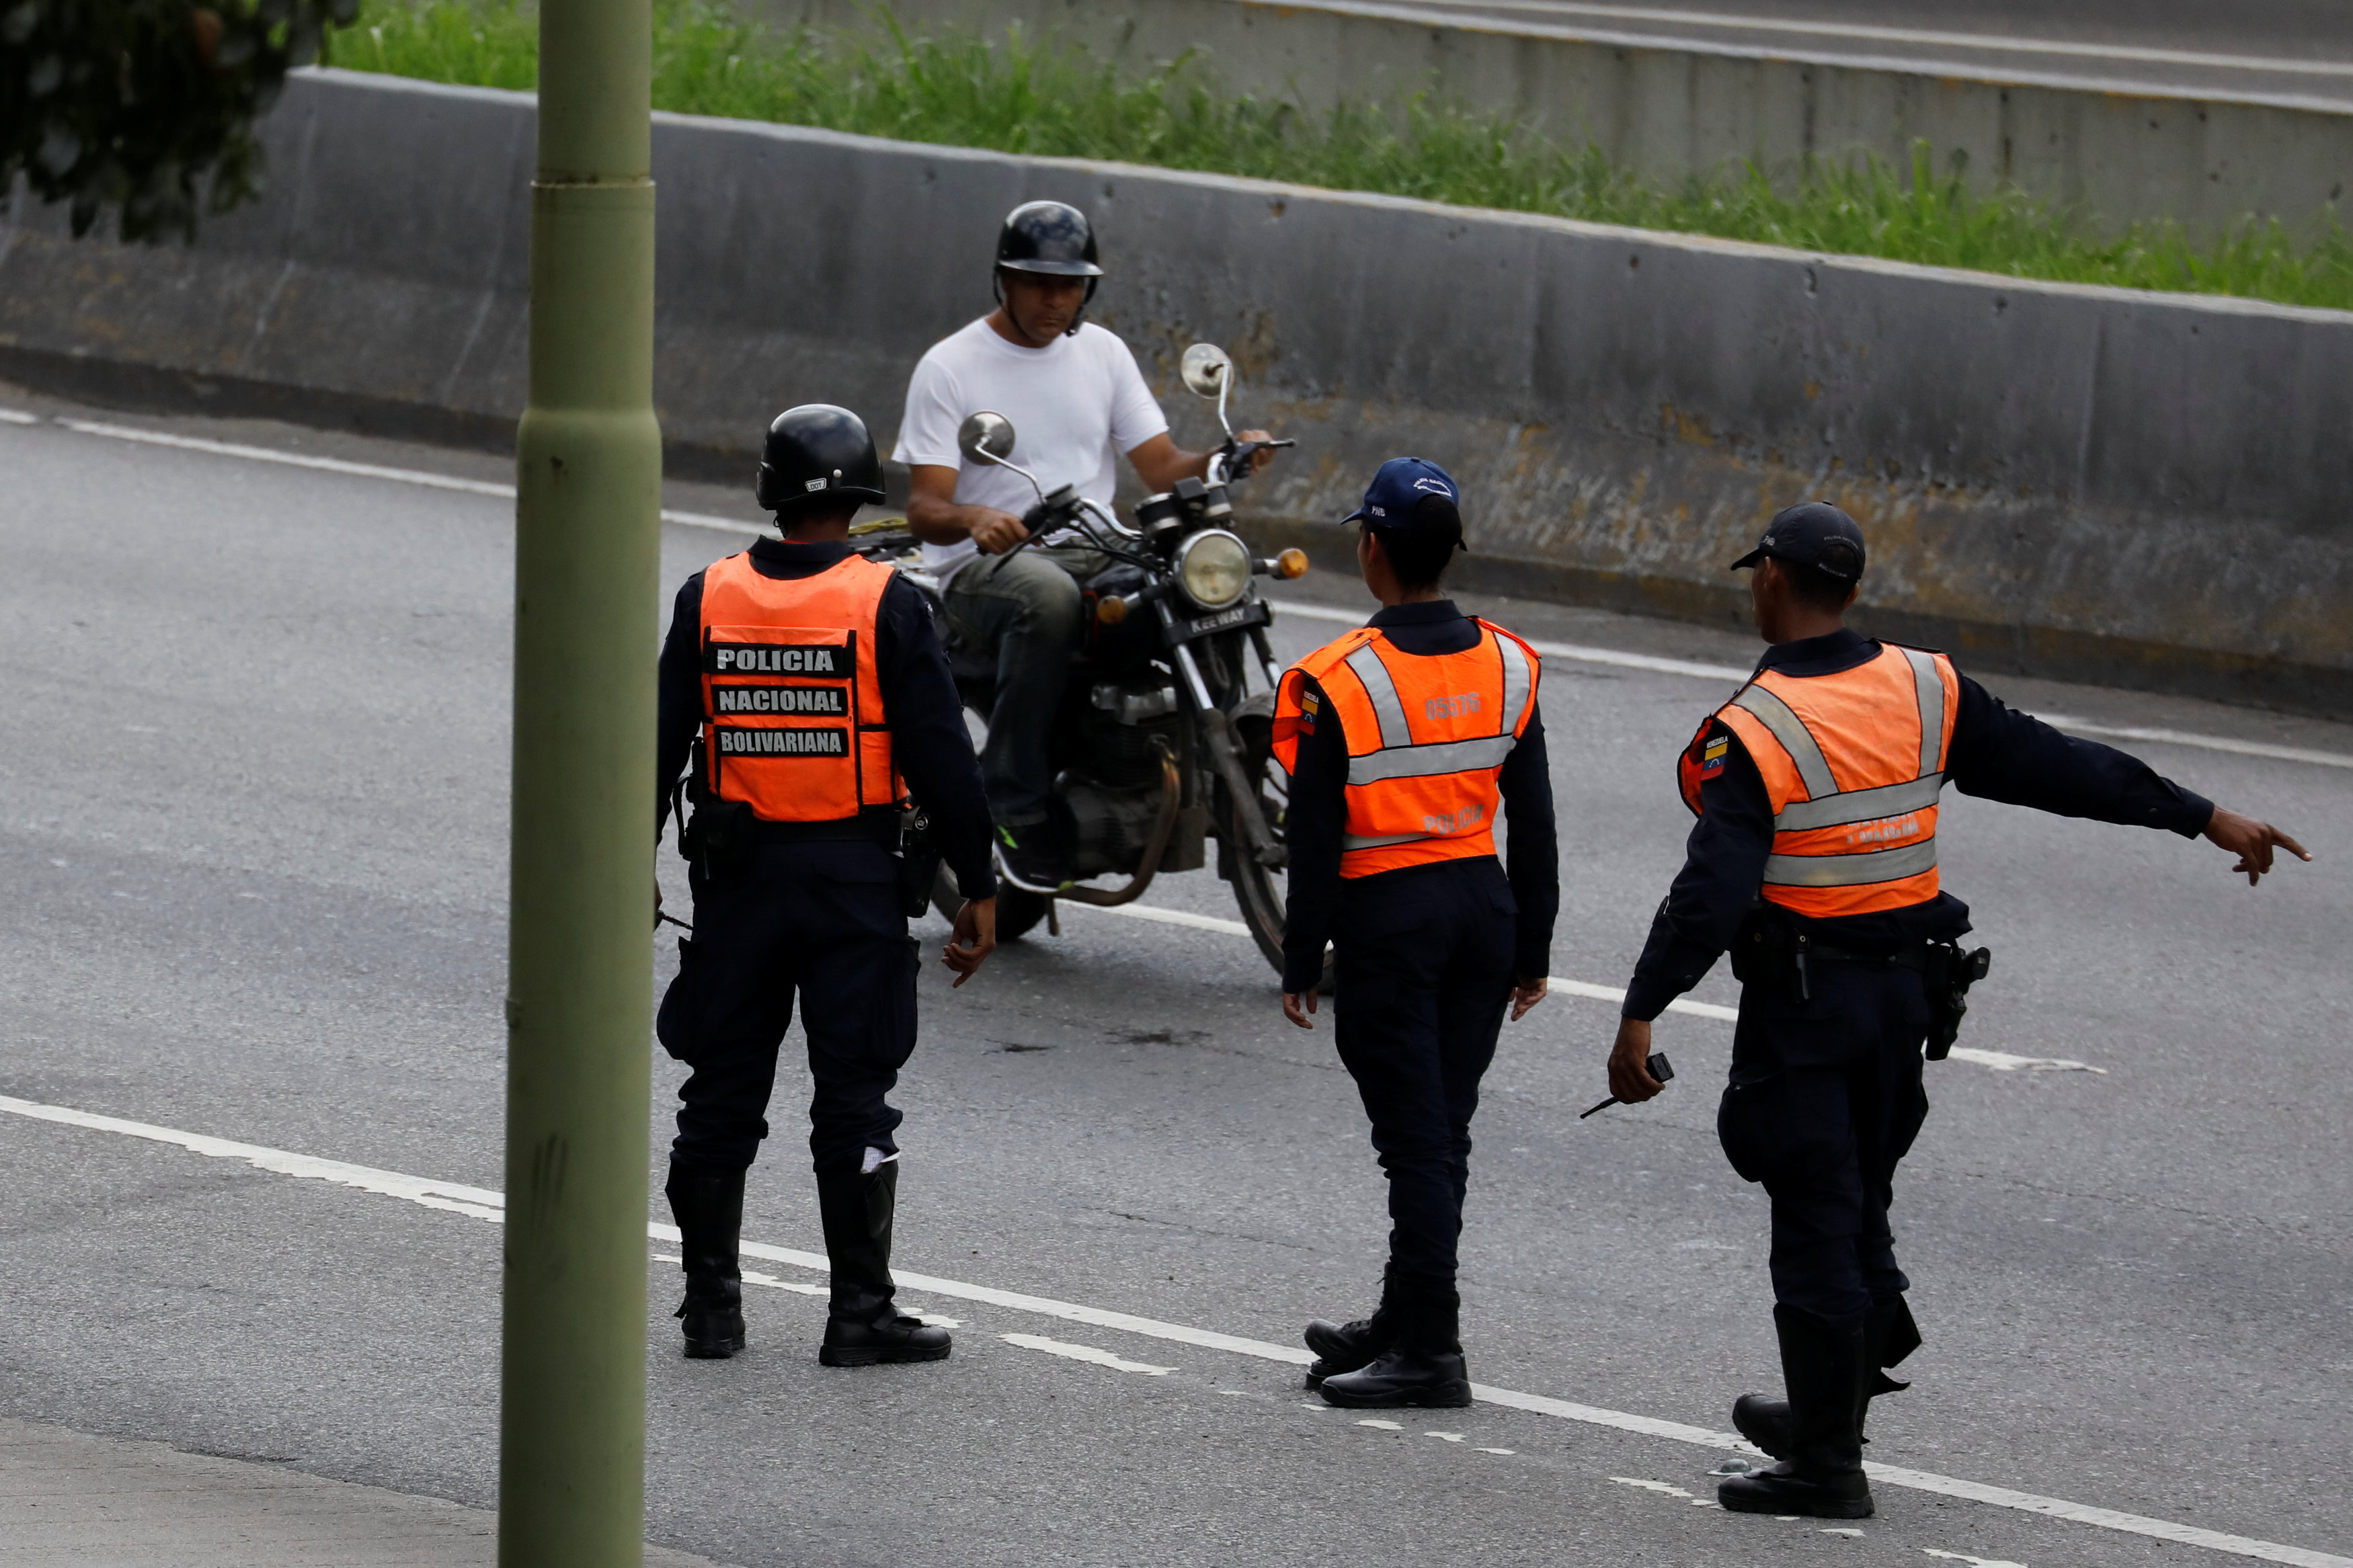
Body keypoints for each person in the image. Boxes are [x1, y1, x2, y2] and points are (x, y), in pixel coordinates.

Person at [1603, 501, 2311, 1518]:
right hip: (1901, 1001)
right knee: (1859, 1199)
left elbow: (1711, 893)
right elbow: (2061, 766)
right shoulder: (1926, 686)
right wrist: (2201, 814)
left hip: (1807, 1006)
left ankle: (1825, 1469)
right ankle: (1825, 1413)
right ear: (1849, 588)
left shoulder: (1752, 729)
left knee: (1816, 1217)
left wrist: (1641, 1011)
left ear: (1770, 580)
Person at [653, 404, 1001, 1368]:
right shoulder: (886, 604)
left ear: (771, 491)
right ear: (861, 497)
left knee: (719, 1093)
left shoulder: (708, 596)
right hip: (853, 882)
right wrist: (980, 881)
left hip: (738, 883)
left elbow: (657, 743)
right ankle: (859, 1313)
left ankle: (710, 1311)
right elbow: (943, 760)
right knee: (854, 1098)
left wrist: (628, 868)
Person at [1271, 457, 1559, 1409]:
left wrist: (1300, 956)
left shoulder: (1338, 678)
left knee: (1418, 1146)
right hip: (1482, 910)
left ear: (1372, 550)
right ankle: (1402, 1317)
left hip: (1393, 919)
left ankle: (1431, 1350)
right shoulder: (1511, 661)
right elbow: (1536, 818)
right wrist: (1535, 946)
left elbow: (1313, 836)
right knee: (1444, 1132)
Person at [893, 198, 1275, 888]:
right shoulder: (950, 366)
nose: (1054, 299)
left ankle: (1167, 755)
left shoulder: (1101, 352)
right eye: (1038, 282)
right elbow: (924, 507)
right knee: (1047, 594)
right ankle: (1012, 802)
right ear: (1004, 280)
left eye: (1069, 285)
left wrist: (1225, 453)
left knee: (1202, 572)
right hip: (988, 565)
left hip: (1096, 545)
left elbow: (1160, 464)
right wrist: (975, 515)